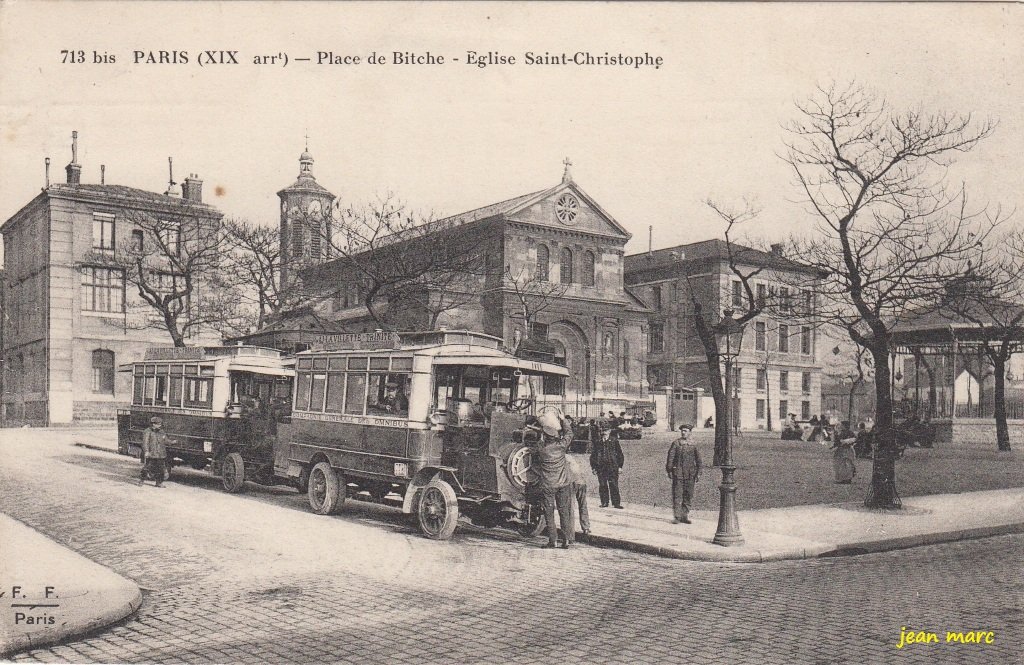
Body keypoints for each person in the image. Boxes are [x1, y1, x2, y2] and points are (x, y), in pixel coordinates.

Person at [529, 411, 576, 549]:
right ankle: (566, 540)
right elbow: (569, 434)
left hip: (548, 485)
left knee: (549, 513)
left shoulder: (542, 449)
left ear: (545, 437)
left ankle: (552, 541)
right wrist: (562, 420)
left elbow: (534, 448)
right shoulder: (561, 447)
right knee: (563, 512)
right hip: (563, 484)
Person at [666, 424, 702, 524]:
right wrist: (669, 470)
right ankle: (677, 517)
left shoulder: (693, 444)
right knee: (677, 495)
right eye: (682, 431)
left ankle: (684, 515)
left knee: (688, 495)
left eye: (685, 431)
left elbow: (698, 460)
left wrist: (699, 473)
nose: (683, 432)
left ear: (690, 432)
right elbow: (670, 458)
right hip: (678, 474)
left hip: (690, 474)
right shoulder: (676, 444)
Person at [590, 419, 625, 508]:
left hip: (612, 467)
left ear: (609, 431)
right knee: (602, 485)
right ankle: (604, 502)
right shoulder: (598, 442)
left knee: (613, 484)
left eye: (605, 430)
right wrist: (593, 467)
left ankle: (616, 503)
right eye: (602, 430)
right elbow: (593, 456)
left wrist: (620, 466)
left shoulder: (614, 441)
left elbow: (620, 454)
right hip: (601, 467)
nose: (604, 432)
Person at [566, 454, 591, 536]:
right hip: (582, 482)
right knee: (583, 505)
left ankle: (570, 533)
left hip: (571, 483)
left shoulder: (564, 457)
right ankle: (586, 527)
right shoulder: (576, 457)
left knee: (570, 508)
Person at [141, 416, 169, 487]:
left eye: (160, 424)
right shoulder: (147, 431)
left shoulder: (161, 431)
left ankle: (159, 483)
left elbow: (166, 440)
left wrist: (173, 442)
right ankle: (142, 480)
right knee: (147, 468)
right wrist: (146, 451)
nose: (159, 425)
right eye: (158, 424)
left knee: (161, 469)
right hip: (151, 453)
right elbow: (145, 443)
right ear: (153, 424)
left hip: (160, 454)